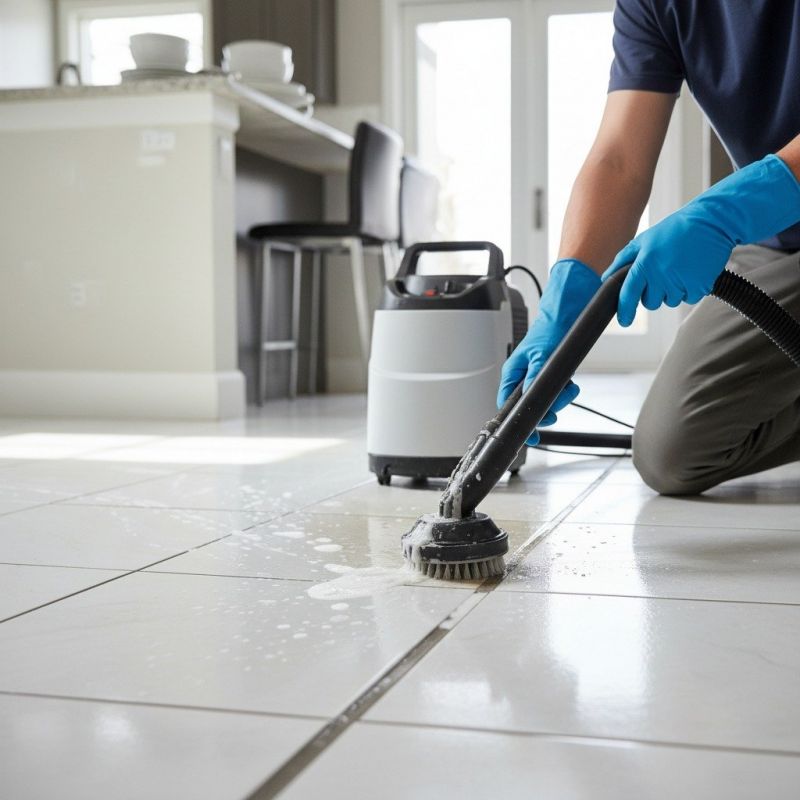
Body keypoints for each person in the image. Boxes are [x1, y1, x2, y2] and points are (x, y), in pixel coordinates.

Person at [498, 0, 800, 495]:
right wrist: (570, 287)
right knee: (673, 450)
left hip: (766, 209)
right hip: (779, 246)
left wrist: (734, 207)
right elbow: (619, 159)